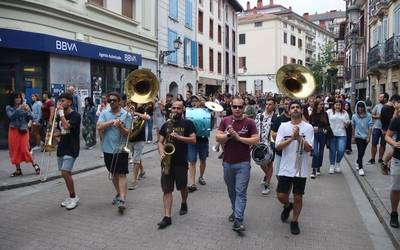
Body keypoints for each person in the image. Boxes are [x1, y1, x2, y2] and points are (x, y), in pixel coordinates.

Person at [216, 97, 259, 232]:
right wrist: (228, 136)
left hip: (243, 163)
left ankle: (238, 219)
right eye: (235, 106)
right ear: (231, 107)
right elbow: (218, 137)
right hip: (227, 162)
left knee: (240, 192)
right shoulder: (225, 121)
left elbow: (256, 140)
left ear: (244, 107)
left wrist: (239, 138)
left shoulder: (250, 122)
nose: (237, 109)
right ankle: (235, 211)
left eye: (240, 107)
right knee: (231, 191)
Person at [275, 100, 313, 235]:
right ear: (289, 111)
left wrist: (299, 139)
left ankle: (295, 221)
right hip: (285, 167)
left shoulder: (308, 128)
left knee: (298, 197)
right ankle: (287, 205)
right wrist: (292, 138)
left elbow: (309, 149)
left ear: (301, 110)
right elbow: (277, 146)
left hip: (300, 169)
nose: (295, 109)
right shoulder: (283, 126)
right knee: (280, 195)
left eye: (298, 107)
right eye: (293, 107)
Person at [157, 101, 196, 229]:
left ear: (183, 109)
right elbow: (160, 142)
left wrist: (179, 137)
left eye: (179, 108)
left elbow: (193, 140)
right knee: (167, 189)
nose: (176, 110)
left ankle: (184, 202)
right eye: (174, 108)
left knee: (182, 187)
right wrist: (162, 152)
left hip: (181, 161)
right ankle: (167, 217)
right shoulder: (166, 124)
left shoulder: (187, 123)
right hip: (167, 162)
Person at [97, 92, 132, 214]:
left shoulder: (126, 114)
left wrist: (120, 127)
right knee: (113, 173)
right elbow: (99, 126)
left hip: (121, 148)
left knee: (122, 173)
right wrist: (112, 122)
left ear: (119, 102)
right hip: (107, 148)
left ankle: (122, 199)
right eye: (109, 100)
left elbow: (127, 133)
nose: (111, 102)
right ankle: (118, 192)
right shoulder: (104, 113)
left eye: (114, 100)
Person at [55, 93, 81, 210]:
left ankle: (74, 197)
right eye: (60, 100)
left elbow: (66, 126)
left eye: (63, 100)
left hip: (71, 147)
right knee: (66, 174)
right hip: (62, 146)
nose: (61, 103)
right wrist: (54, 135)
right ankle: (71, 197)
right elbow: (59, 129)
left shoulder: (75, 116)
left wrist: (60, 114)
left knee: (65, 172)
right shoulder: (59, 115)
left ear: (70, 102)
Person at [6, 92, 40, 176]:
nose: (18, 99)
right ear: (13, 99)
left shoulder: (25, 106)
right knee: (14, 150)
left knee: (24, 148)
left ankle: (34, 164)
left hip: (23, 130)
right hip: (13, 130)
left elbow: (31, 117)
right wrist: (20, 109)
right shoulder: (9, 107)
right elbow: (11, 117)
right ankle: (18, 170)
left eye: (19, 98)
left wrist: (28, 110)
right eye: (16, 98)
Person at [255, 98, 278, 194]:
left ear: (274, 106)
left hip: (271, 144)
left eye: (270, 104)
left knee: (269, 164)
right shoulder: (259, 115)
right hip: (259, 144)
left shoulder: (276, 117)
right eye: (267, 104)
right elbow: (255, 128)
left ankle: (267, 184)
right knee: (260, 162)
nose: (267, 106)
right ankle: (268, 175)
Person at [188, 96, 210, 192]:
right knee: (192, 161)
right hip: (192, 140)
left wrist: (211, 116)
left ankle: (201, 176)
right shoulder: (188, 112)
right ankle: (192, 182)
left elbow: (211, 125)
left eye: (196, 101)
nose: (194, 103)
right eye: (192, 101)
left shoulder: (206, 112)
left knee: (203, 159)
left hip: (203, 139)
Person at [384, 98, 400, 228]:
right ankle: (394, 213)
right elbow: (387, 136)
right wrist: (394, 143)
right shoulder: (397, 120)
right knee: (396, 188)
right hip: (398, 159)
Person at [128, 104, 150, 190]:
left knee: (136, 159)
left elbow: (147, 117)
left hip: (140, 138)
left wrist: (135, 113)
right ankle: (142, 171)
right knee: (136, 156)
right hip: (131, 137)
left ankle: (134, 181)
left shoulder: (141, 109)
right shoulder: (127, 109)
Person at [326, 100, 350, 174]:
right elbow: (325, 121)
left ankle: (338, 163)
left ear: (341, 106)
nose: (337, 106)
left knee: (341, 150)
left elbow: (347, 124)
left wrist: (347, 123)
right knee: (332, 150)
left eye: (339, 105)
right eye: (336, 105)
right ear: (333, 105)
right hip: (332, 134)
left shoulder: (344, 112)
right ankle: (332, 165)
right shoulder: (329, 112)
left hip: (342, 134)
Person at [271, 97, 291, 178]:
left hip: (293, 153)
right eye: (286, 104)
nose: (288, 106)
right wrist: (283, 136)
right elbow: (272, 135)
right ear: (282, 105)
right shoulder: (279, 119)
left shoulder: (298, 119)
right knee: (278, 175)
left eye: (290, 104)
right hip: (281, 152)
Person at [309, 100, 330, 178]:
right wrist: (312, 128)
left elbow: (328, 125)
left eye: (322, 104)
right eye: (320, 104)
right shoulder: (312, 115)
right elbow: (309, 125)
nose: (322, 106)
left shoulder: (325, 114)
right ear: (316, 105)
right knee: (315, 152)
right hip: (314, 134)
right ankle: (313, 170)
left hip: (322, 134)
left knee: (321, 152)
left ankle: (318, 167)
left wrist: (326, 129)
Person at [351, 101, 373, 176]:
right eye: (359, 107)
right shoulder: (354, 116)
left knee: (362, 152)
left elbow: (370, 127)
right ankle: (361, 168)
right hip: (358, 136)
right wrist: (353, 137)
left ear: (364, 107)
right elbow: (353, 126)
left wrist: (369, 137)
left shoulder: (369, 116)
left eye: (362, 107)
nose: (360, 109)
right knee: (360, 151)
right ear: (357, 107)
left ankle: (357, 161)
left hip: (366, 136)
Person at [368, 93, 389, 164]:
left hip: (386, 128)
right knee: (374, 143)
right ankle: (372, 158)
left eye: (381, 97)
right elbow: (372, 115)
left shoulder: (389, 107)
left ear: (385, 98)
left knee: (383, 144)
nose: (379, 98)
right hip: (376, 127)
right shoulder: (377, 106)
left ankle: (380, 158)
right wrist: (378, 117)